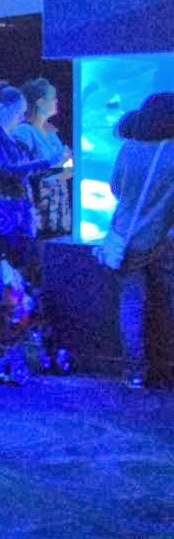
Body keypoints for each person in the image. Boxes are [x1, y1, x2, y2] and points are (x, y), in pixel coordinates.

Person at [109, 93, 174, 390]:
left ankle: (134, 372)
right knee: (165, 304)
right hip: (162, 239)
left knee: (131, 304)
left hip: (126, 240)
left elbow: (116, 189)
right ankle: (165, 367)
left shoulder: (129, 149)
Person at [0, 83, 52, 277]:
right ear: (1, 108)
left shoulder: (7, 136)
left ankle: (16, 301)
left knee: (19, 258)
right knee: (6, 259)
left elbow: (18, 170)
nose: (22, 118)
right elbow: (5, 169)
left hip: (13, 206)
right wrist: (46, 162)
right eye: (18, 112)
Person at [15, 77, 73, 238]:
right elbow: (21, 170)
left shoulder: (51, 133)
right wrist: (57, 165)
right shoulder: (23, 132)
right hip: (38, 204)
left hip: (58, 205)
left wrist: (67, 165)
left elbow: (65, 166)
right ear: (40, 102)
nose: (56, 102)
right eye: (53, 98)